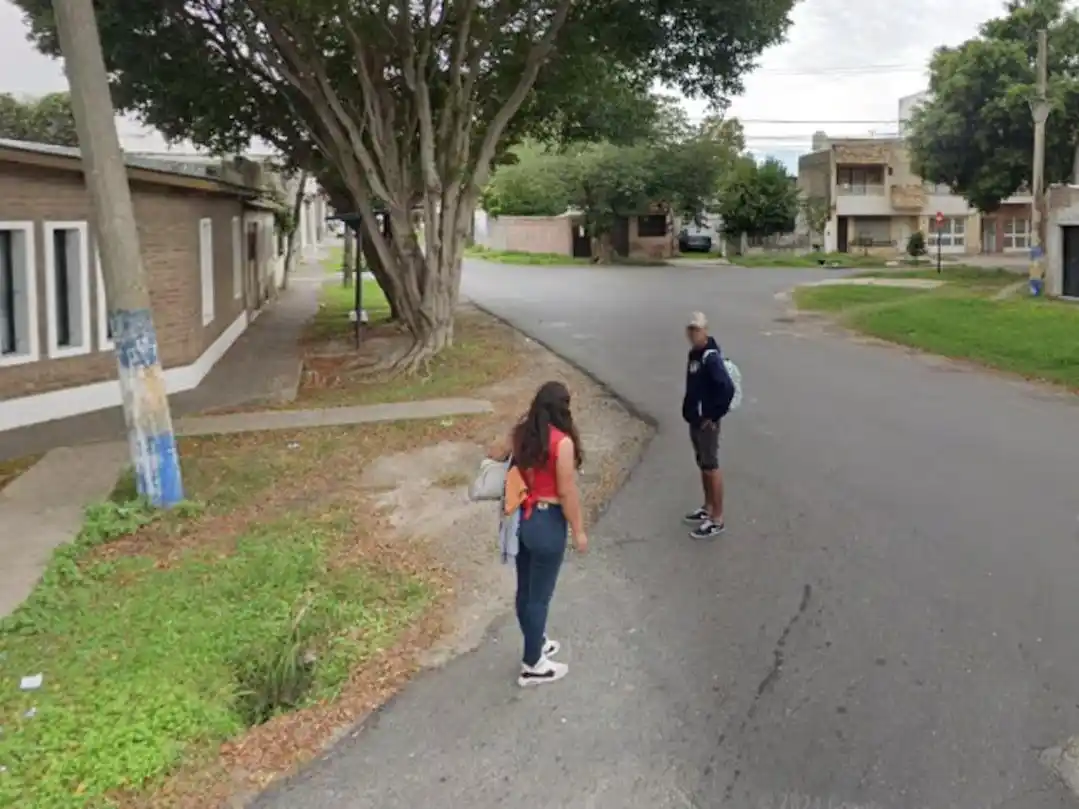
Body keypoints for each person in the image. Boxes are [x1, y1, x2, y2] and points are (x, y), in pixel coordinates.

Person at [488, 380, 588, 686]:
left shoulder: (523, 434)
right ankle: (533, 663)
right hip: (547, 521)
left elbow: (494, 452)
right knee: (539, 597)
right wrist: (579, 531)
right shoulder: (562, 443)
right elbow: (566, 492)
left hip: (521, 519)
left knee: (525, 590)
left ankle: (536, 640)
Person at [681, 311, 735, 540]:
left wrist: (712, 416)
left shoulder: (710, 358)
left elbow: (727, 388)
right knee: (703, 465)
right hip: (695, 420)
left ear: (705, 330)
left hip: (706, 424)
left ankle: (717, 519)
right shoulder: (694, 354)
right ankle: (708, 507)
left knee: (711, 466)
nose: (693, 334)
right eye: (690, 329)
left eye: (697, 329)